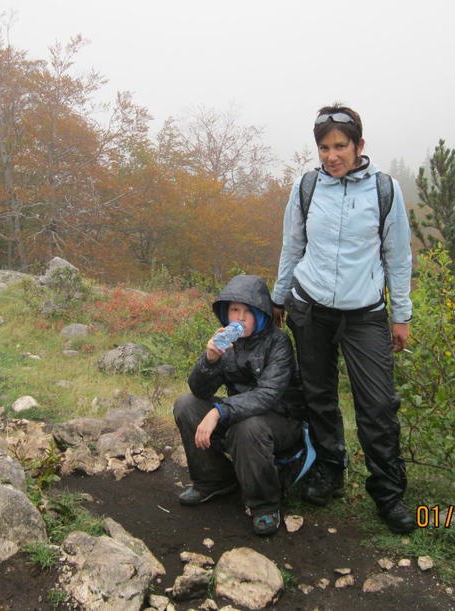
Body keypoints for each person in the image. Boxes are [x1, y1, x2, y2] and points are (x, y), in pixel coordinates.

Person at [271, 104, 416, 534]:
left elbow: (398, 257)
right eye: (323, 147)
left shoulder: (384, 190)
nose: (331, 155)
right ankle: (329, 472)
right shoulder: (307, 188)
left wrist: (401, 315)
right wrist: (279, 299)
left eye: (340, 146)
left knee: (377, 405)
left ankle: (389, 494)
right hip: (309, 307)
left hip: (365, 314)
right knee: (318, 396)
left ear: (359, 146)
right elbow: (291, 248)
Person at [173, 274, 305, 536]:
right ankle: (214, 479)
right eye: (234, 310)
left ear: (261, 314)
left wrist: (219, 411)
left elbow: (268, 394)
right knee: (186, 405)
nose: (240, 318)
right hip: (240, 414)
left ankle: (265, 503)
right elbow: (199, 391)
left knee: (247, 427)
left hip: (281, 421)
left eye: (248, 311)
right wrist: (210, 360)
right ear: (226, 312)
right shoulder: (227, 343)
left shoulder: (278, 342)